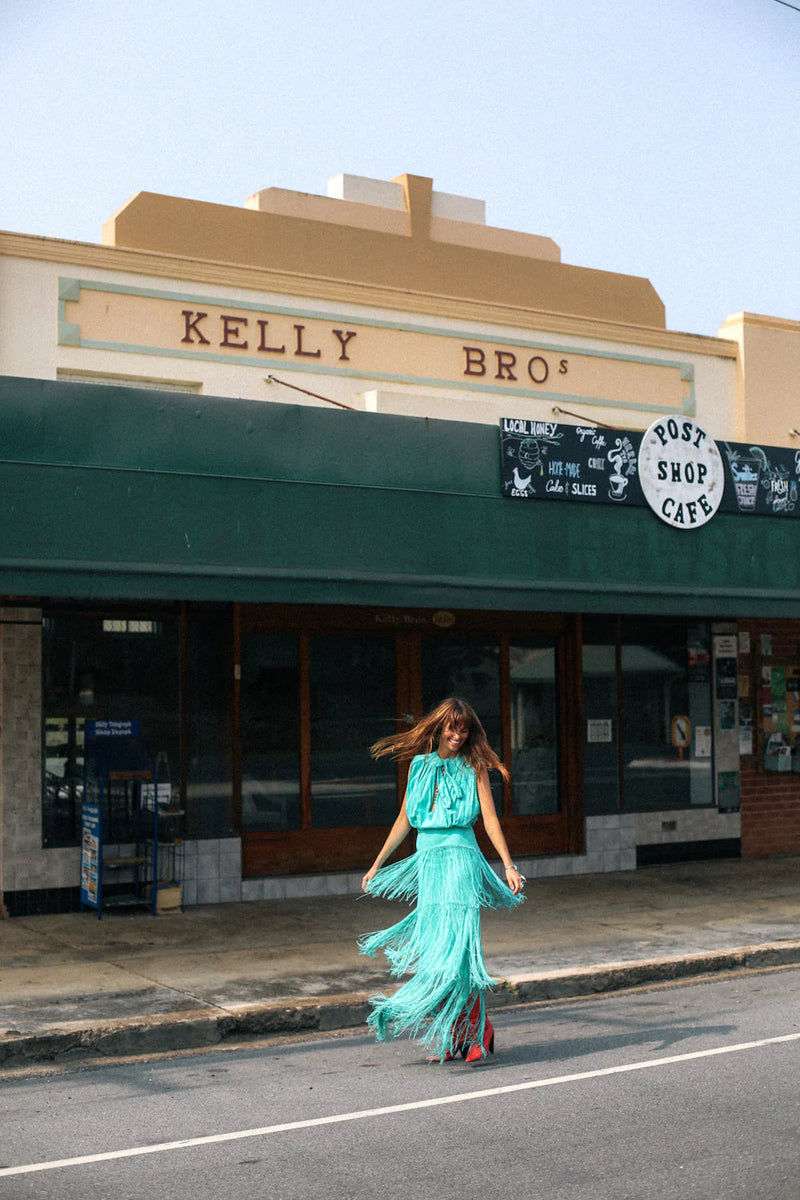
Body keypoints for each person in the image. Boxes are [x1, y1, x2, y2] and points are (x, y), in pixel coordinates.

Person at [359, 697, 526, 1063]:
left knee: (458, 953)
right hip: (430, 865)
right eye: (453, 728)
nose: (458, 735)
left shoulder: (475, 765)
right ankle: (457, 1033)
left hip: (461, 861)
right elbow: (404, 820)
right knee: (438, 956)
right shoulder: (418, 766)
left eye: (464, 729)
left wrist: (508, 865)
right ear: (439, 728)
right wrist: (377, 865)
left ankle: (476, 1030)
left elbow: (489, 820)